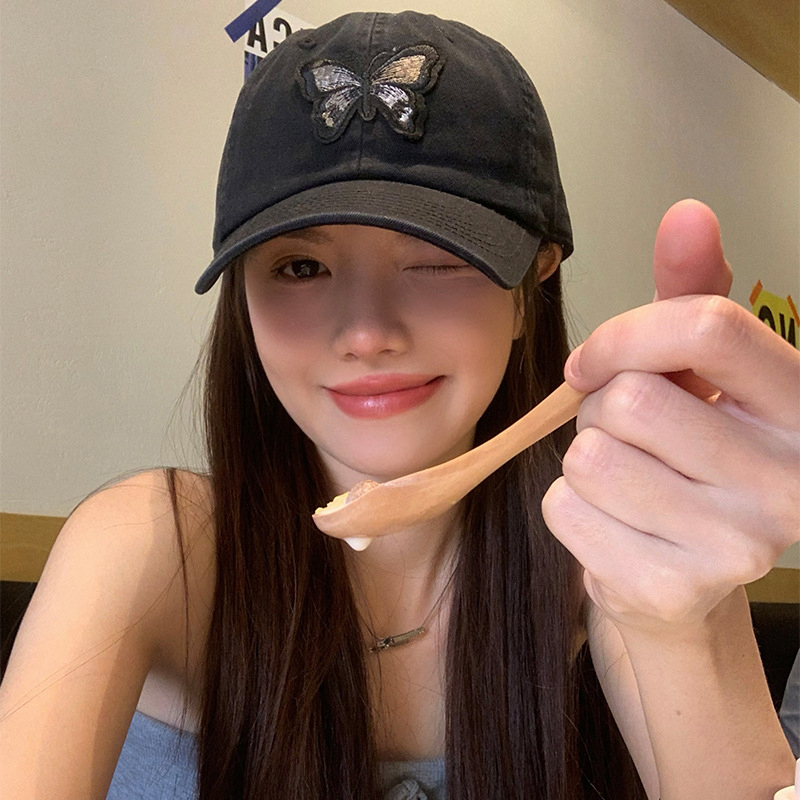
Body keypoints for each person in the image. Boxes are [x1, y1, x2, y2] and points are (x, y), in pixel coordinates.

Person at [0, 10, 797, 800]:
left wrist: (682, 621)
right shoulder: (148, 549)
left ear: (532, 288)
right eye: (301, 267)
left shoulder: (603, 548)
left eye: (438, 258)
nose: (366, 334)